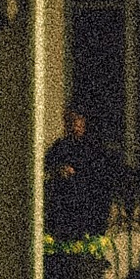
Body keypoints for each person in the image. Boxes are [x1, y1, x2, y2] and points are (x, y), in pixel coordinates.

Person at [42, 102, 116, 246]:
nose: (72, 125)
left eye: (75, 120)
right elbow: (47, 167)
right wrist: (59, 170)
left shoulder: (95, 148)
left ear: (83, 121)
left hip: (88, 208)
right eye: (68, 121)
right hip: (65, 209)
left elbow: (101, 177)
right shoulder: (60, 146)